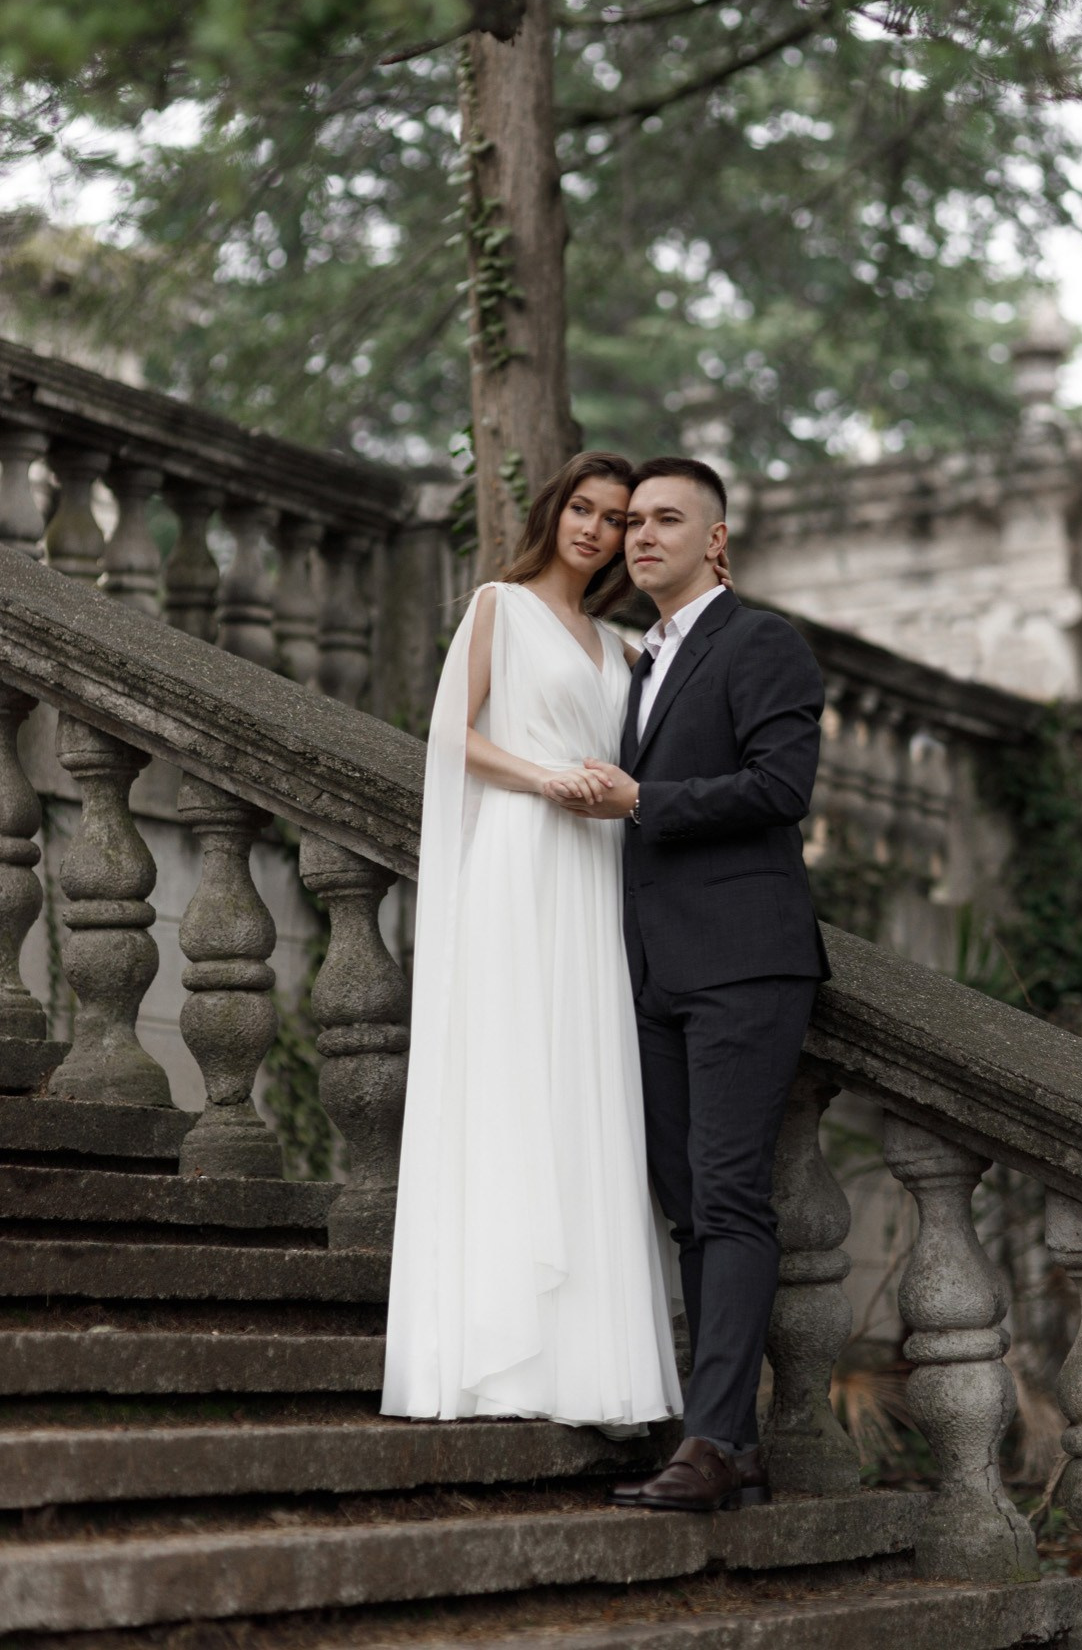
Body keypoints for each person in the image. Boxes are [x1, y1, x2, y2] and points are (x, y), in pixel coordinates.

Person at [382, 451, 699, 1430]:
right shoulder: (499, 606)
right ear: (553, 511)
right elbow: (449, 734)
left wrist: (604, 791)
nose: (595, 528)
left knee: (586, 1092)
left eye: (614, 518)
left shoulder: (620, 644)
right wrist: (542, 779)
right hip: (522, 860)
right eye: (583, 508)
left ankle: (589, 1370)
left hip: (596, 874)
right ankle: (498, 1355)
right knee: (515, 1083)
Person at [553, 455, 829, 1510]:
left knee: (725, 1195)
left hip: (745, 962)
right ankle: (734, 1442)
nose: (641, 536)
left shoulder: (760, 641)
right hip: (654, 969)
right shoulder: (637, 663)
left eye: (668, 519)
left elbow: (779, 787)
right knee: (686, 1209)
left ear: (715, 539)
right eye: (632, 522)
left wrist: (640, 800)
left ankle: (710, 1441)